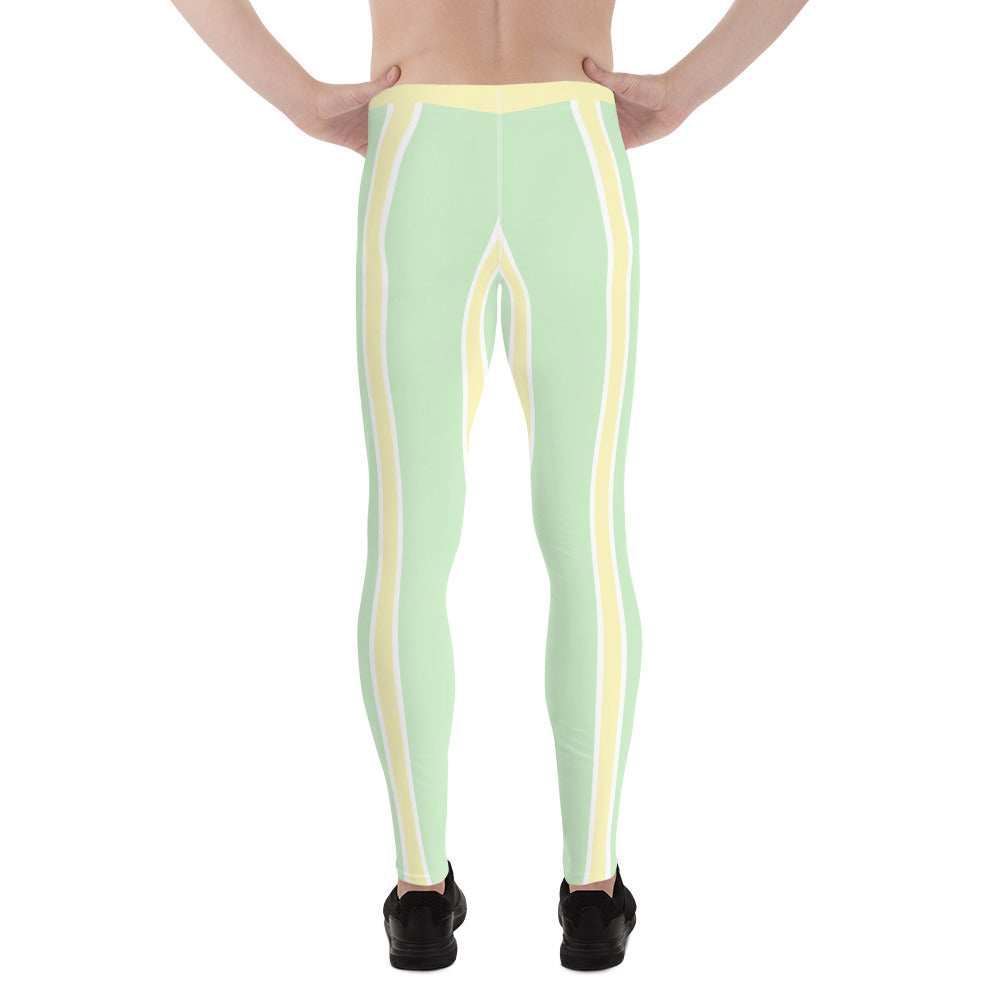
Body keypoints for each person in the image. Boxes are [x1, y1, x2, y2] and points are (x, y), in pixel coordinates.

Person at [169, 0, 811, 971]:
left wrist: (297, 97)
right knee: (587, 535)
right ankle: (591, 893)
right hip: (575, 140)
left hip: (420, 139)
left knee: (407, 545)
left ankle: (419, 894)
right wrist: (686, 88)